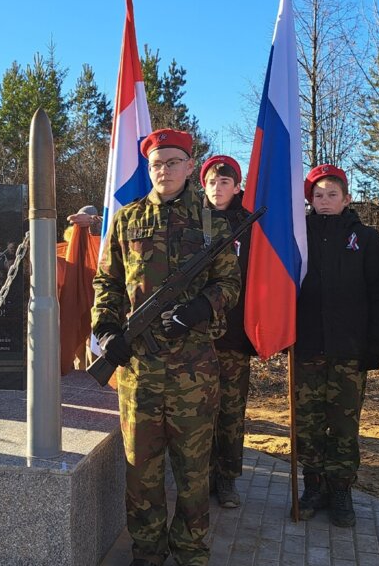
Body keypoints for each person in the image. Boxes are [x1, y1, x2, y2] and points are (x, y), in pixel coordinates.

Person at [92, 128, 240, 566]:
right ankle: (148, 550)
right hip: (140, 371)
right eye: (157, 163)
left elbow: (230, 282)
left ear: (191, 167)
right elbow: (107, 282)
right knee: (142, 473)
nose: (164, 170)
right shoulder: (127, 219)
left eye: (173, 161)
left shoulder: (213, 222)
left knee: (194, 472)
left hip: (194, 370)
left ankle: (192, 551)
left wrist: (201, 307)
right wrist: (106, 331)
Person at [293, 164, 379, 527]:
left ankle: (340, 490)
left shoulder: (366, 239)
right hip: (306, 349)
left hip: (348, 351)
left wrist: (377, 345)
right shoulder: (297, 235)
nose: (324, 201)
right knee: (308, 424)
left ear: (346, 198)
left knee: (343, 426)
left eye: (332, 194)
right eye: (318, 196)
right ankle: (313, 486)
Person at [199, 155, 257, 509]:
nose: (217, 188)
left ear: (237, 187)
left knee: (231, 413)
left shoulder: (252, 224)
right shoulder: (192, 220)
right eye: (211, 182)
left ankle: (227, 478)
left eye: (224, 182)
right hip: (196, 336)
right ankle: (200, 475)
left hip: (235, 334)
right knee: (199, 412)